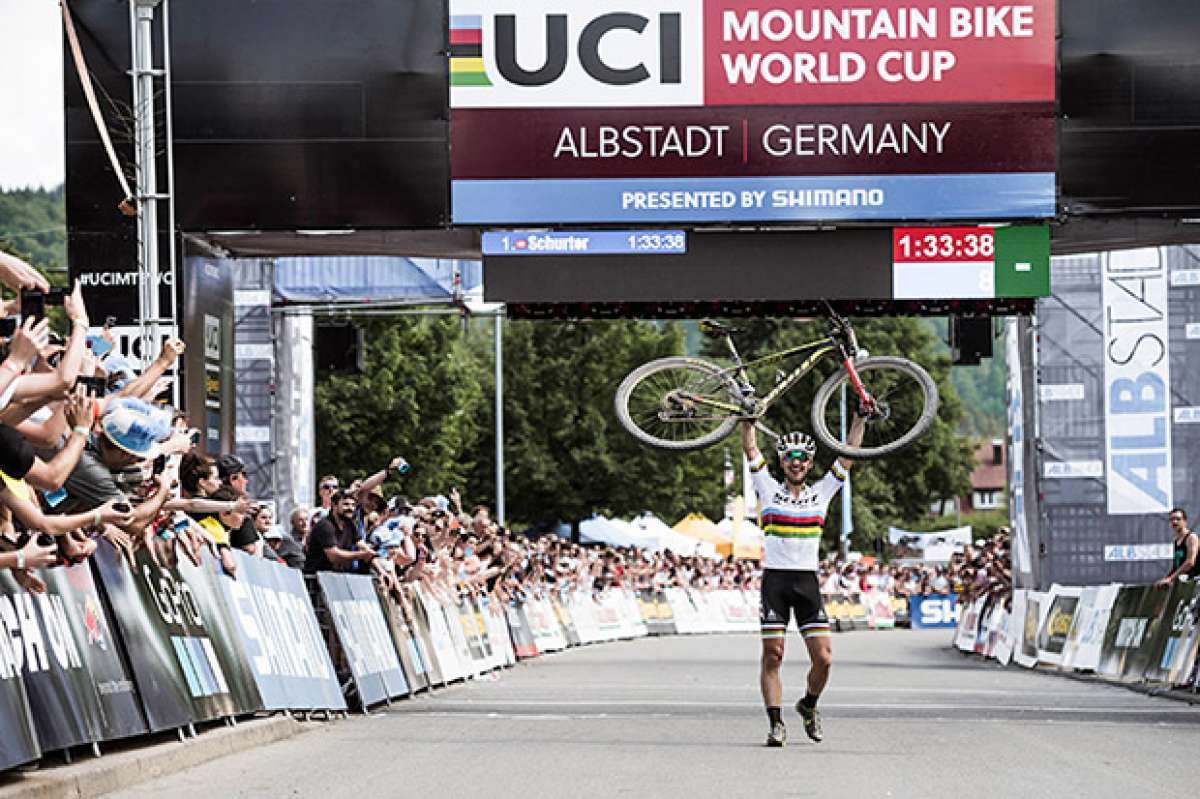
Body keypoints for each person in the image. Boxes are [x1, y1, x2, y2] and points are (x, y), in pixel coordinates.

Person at [741, 414, 863, 748]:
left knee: (824, 658)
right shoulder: (767, 488)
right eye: (790, 457)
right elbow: (750, 449)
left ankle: (808, 704)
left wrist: (860, 419)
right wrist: (747, 420)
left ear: (810, 463)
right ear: (782, 461)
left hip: (807, 582)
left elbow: (850, 453)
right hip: (776, 582)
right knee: (773, 655)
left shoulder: (822, 492)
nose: (796, 462)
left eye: (803, 457)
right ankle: (775, 724)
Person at [303, 490, 376, 574]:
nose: (350, 508)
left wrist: (381, 571)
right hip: (317, 577)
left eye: (353, 505)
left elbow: (366, 549)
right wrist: (361, 555)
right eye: (346, 504)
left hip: (340, 576)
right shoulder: (325, 526)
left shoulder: (350, 524)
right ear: (334, 505)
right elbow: (334, 556)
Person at [1157, 508, 1200, 586]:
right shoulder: (1176, 540)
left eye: (1178, 519)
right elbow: (1176, 565)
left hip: (1197, 582)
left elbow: (1190, 562)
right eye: (1172, 519)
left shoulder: (1191, 537)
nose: (1175, 522)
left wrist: (1170, 578)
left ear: (1185, 521)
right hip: (1187, 583)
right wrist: (1166, 579)